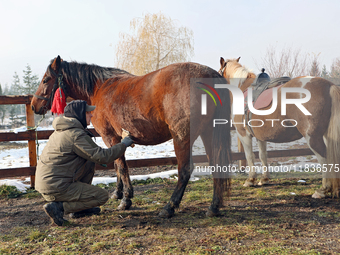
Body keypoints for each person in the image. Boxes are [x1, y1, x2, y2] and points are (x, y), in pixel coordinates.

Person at [35, 100, 134, 226]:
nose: (91, 115)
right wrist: (124, 144)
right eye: (88, 113)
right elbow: (103, 157)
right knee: (101, 196)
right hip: (57, 187)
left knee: (89, 163)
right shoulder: (75, 135)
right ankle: (59, 208)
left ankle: (80, 209)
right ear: (79, 115)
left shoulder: (62, 131)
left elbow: (94, 155)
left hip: (50, 183)